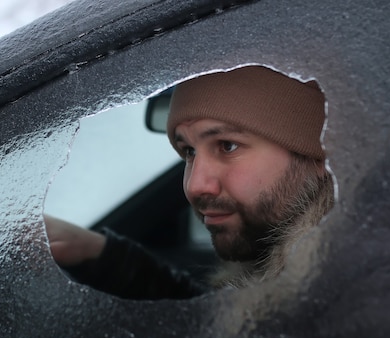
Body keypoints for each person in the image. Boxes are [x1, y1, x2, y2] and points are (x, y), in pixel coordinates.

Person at [45, 65, 334, 299]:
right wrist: (95, 252)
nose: (195, 186)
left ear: (318, 154)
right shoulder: (306, 283)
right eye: (189, 152)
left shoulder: (348, 288)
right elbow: (211, 330)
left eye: (227, 146)